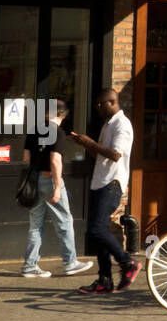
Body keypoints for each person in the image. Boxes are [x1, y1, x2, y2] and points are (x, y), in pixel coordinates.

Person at [70, 89, 139, 293]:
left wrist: (90, 142)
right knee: (97, 232)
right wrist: (85, 144)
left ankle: (128, 263)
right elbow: (101, 154)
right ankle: (105, 280)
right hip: (100, 182)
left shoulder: (122, 125)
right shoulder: (108, 125)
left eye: (101, 105)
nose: (98, 108)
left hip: (112, 183)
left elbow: (116, 155)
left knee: (97, 229)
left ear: (112, 102)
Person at [22, 98, 93, 279]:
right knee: (64, 221)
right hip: (50, 178)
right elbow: (55, 159)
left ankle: (30, 265)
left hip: (35, 179)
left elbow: (26, 159)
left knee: (35, 225)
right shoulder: (58, 133)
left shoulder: (33, 131)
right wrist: (57, 187)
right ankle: (70, 262)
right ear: (61, 115)